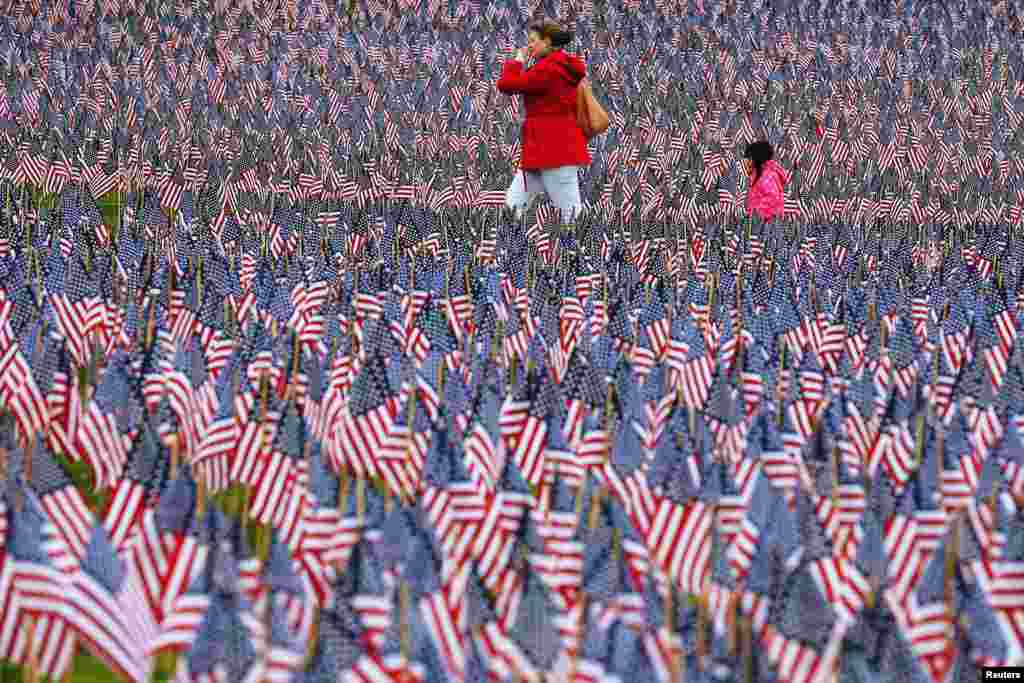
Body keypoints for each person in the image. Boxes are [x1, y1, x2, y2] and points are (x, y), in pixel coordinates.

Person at [497, 19, 591, 226]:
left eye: (532, 41)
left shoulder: (551, 69)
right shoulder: (555, 65)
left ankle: (588, 256)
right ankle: (507, 251)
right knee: (512, 206)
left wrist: (517, 61)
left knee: (572, 217)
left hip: (555, 151)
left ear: (547, 41)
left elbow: (506, 84)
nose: (528, 45)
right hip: (541, 150)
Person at [743, 140, 788, 222]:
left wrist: (755, 214)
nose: (746, 162)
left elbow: (772, 201)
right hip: (756, 224)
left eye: (749, 158)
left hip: (764, 227)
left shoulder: (767, 176)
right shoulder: (757, 175)